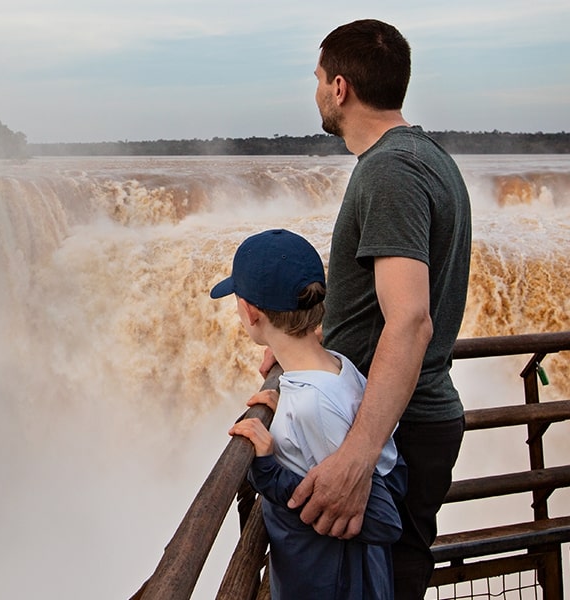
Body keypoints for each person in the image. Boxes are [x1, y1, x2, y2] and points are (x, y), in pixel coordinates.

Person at [259, 19, 472, 599]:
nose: (316, 91)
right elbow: (379, 307)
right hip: (402, 419)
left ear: (340, 88)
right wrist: (301, 354)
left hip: (395, 429)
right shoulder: (426, 158)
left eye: (318, 78)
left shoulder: (391, 171)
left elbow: (409, 320)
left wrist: (358, 455)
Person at [212, 228, 407, 600]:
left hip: (334, 585)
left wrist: (268, 471)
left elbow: (383, 519)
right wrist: (283, 407)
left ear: (252, 313)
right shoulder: (339, 366)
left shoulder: (313, 405)